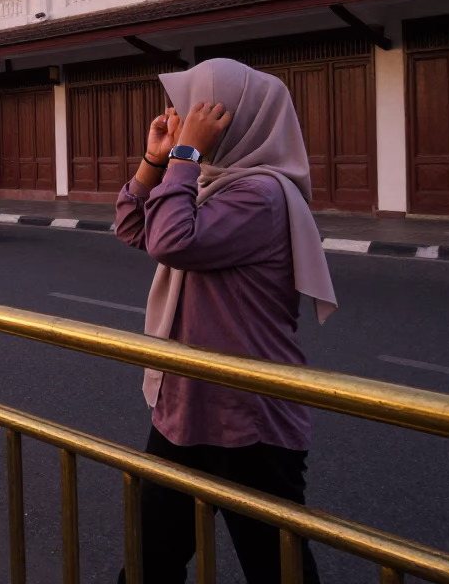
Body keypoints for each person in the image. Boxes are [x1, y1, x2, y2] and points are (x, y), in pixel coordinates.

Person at [113, 59, 337, 584]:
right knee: (149, 564)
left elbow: (172, 241)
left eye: (197, 113)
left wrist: (185, 157)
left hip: (246, 416)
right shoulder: (207, 184)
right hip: (184, 405)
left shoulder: (261, 195)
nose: (183, 120)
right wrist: (155, 159)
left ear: (235, 121)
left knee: (277, 571)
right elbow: (133, 228)